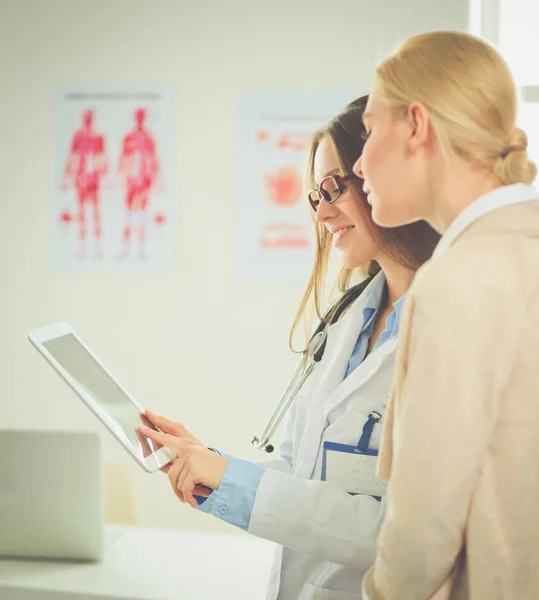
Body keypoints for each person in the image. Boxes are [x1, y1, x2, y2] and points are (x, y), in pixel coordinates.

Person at [139, 96, 440, 600]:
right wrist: (209, 464)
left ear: (384, 174)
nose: (321, 210)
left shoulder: (448, 329)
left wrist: (230, 478)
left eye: (334, 187)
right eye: (314, 195)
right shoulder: (349, 319)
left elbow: (400, 533)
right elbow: (306, 473)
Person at [353, 31, 539, 600]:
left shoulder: (457, 284)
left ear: (417, 126)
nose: (357, 160)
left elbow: (422, 535)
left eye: (371, 127)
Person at [62, 108, 108, 259]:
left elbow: (103, 157)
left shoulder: (98, 136)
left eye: (90, 117)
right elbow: (72, 156)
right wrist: (66, 178)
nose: (88, 120)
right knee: (81, 213)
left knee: (95, 213)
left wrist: (104, 176)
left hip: (93, 178)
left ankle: (98, 247)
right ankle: (82, 248)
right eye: (86, 117)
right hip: (81, 178)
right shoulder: (78, 136)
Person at [117, 107, 160, 260]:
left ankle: (141, 250)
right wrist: (122, 176)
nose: (140, 119)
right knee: (128, 215)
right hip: (131, 181)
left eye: (142, 116)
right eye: (138, 116)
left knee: (142, 216)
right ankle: (126, 249)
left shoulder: (149, 138)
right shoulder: (129, 137)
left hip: (144, 181)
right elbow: (122, 158)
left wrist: (154, 180)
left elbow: (154, 161)